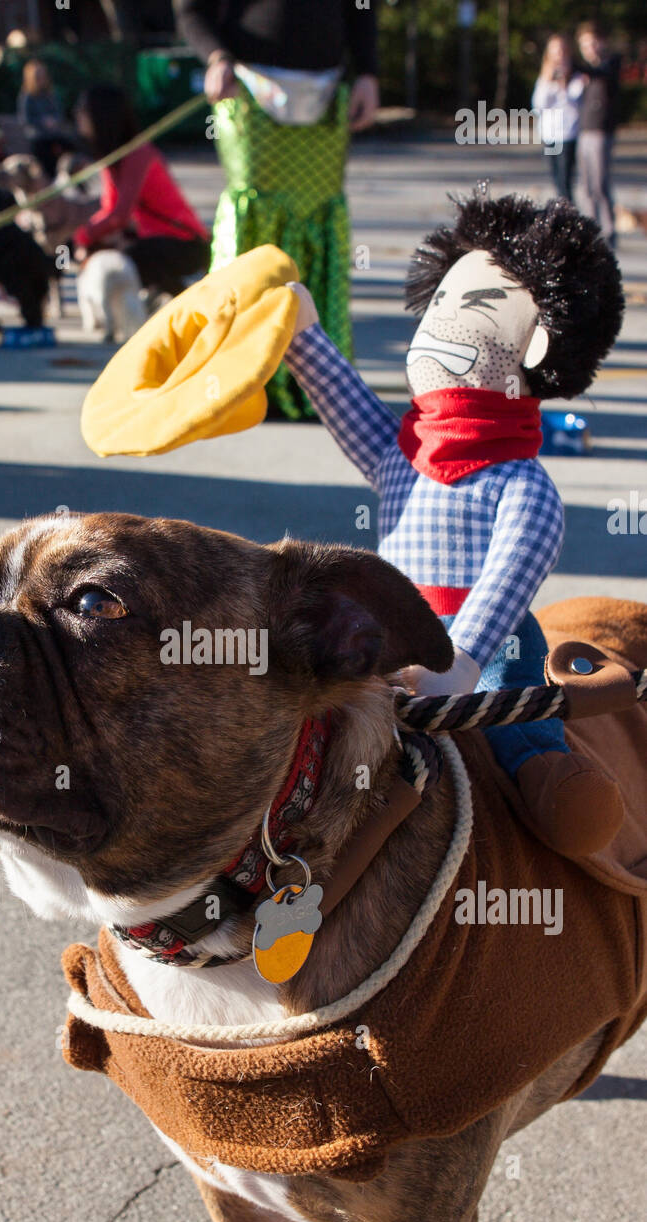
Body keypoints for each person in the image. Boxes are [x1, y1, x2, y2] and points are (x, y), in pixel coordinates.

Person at [282, 193, 625, 855]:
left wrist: (458, 658)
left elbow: (509, 579)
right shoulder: (406, 452)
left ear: (537, 343)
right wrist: (303, 340)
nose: (436, 330)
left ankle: (553, 781)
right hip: (390, 626)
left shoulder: (521, 483)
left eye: (466, 312)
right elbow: (345, 403)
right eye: (439, 305)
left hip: (485, 641)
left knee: (512, 710)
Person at [175, 0, 379, 419]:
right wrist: (216, 57)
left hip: (326, 91)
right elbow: (191, 9)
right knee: (255, 219)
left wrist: (369, 73)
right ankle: (238, 379)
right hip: (247, 86)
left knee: (317, 213)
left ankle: (317, 383)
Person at [72, 85, 210, 303]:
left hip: (186, 244)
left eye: (83, 110)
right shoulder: (113, 157)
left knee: (126, 262)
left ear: (102, 116)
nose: (77, 116)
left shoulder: (137, 153)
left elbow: (119, 215)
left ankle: (185, 302)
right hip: (157, 241)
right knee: (112, 257)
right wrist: (85, 237)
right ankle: (165, 300)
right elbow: (111, 211)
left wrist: (81, 236)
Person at [575, 19, 621, 247]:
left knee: (601, 185)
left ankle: (609, 232)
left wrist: (575, 67)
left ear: (601, 42)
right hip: (584, 130)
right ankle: (592, 230)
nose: (589, 49)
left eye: (592, 43)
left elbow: (601, 73)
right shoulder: (586, 74)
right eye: (584, 45)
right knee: (586, 187)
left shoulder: (610, 63)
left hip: (601, 132)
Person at [531, 34, 585, 201]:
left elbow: (576, 100)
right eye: (555, 51)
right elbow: (538, 104)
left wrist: (563, 83)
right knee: (555, 178)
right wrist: (549, 81)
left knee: (565, 181)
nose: (559, 54)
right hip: (549, 134)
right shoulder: (545, 76)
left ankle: (569, 216)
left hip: (568, 133)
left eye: (562, 50)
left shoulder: (576, 75)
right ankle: (562, 212)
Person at [17, 59, 70, 180]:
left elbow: (59, 113)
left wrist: (54, 121)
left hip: (54, 135)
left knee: (69, 148)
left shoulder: (50, 94)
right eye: (37, 76)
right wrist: (42, 122)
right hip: (38, 137)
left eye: (42, 76)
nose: (41, 79)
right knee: (46, 156)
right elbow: (25, 120)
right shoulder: (27, 97)